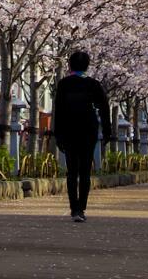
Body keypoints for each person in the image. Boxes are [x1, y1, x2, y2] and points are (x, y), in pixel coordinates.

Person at [52, 49, 113, 223]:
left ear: (70, 65)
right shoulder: (94, 84)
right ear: (87, 65)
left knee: (72, 170)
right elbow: (104, 108)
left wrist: (58, 134)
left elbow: (59, 110)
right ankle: (81, 208)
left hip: (69, 130)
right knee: (85, 170)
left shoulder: (64, 84)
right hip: (88, 129)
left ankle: (74, 208)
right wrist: (107, 131)